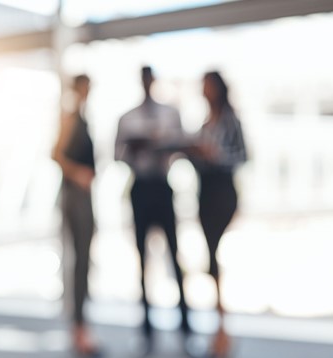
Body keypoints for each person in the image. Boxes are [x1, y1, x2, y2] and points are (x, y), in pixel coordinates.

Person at [114, 66, 190, 354]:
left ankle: (186, 325)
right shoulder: (127, 118)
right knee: (142, 260)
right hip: (140, 188)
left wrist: (163, 144)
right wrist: (136, 148)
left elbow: (182, 146)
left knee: (175, 255)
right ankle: (146, 327)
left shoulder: (170, 114)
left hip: (162, 186)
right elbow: (117, 154)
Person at [189, 71, 247, 357]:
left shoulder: (230, 121)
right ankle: (220, 328)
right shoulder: (204, 124)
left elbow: (242, 156)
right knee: (210, 257)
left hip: (223, 193)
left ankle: (224, 328)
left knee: (219, 256)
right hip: (206, 192)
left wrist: (215, 155)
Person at [52, 74, 100, 356]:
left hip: (84, 195)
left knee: (84, 261)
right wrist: (78, 174)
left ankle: (81, 326)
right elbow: (56, 154)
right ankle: (78, 328)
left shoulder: (82, 117)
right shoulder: (71, 118)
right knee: (80, 261)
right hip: (75, 196)